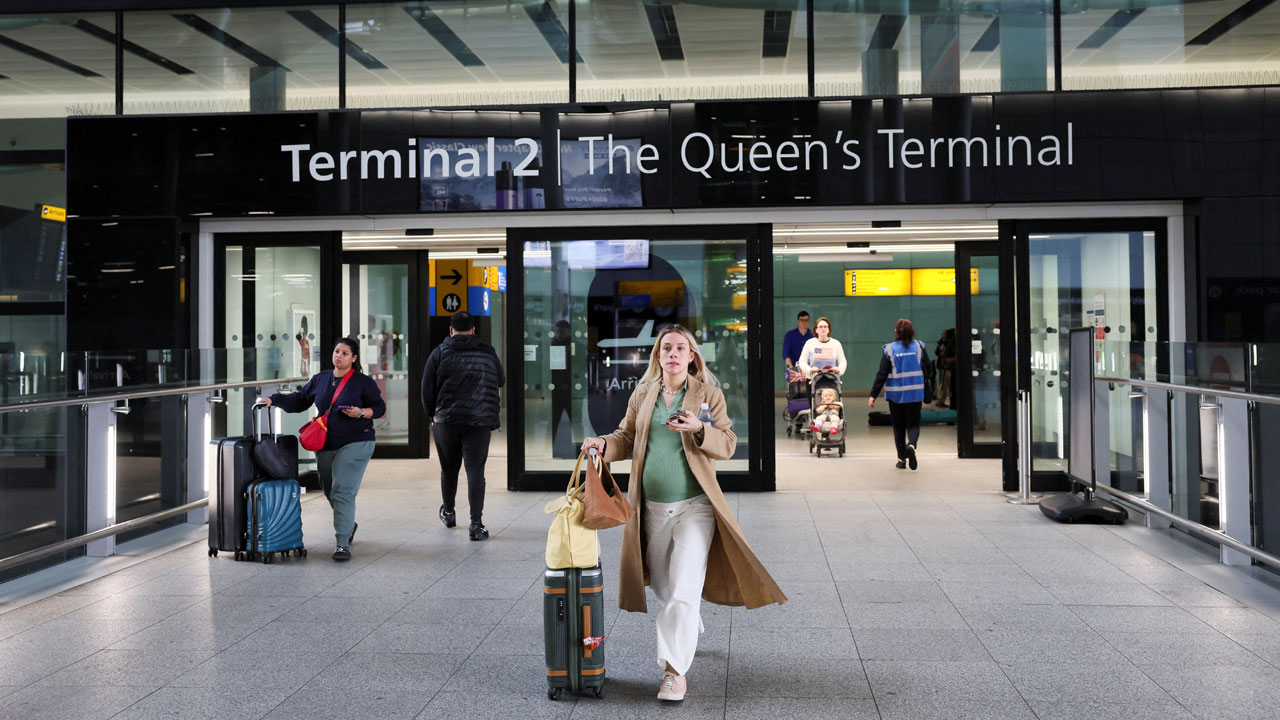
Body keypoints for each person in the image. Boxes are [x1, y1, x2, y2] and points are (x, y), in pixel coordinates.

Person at [581, 324, 787, 703]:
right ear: (658, 356)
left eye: (680, 348)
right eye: (666, 348)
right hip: (651, 507)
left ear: (692, 355)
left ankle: (674, 672)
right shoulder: (643, 393)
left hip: (696, 506)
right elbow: (626, 437)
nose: (673, 354)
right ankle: (688, 616)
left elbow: (727, 444)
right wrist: (602, 445)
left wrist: (699, 429)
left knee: (682, 590)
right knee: (664, 584)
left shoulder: (708, 394)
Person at [264, 338, 384, 561]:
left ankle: (342, 543)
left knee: (342, 492)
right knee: (329, 491)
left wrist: (360, 412)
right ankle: (348, 524)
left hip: (357, 441)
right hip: (325, 442)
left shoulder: (362, 382)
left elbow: (379, 408)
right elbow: (300, 401)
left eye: (345, 353)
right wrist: (274, 400)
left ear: (354, 358)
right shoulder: (321, 379)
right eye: (337, 351)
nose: (339, 356)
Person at [421, 311, 504, 541]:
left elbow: (426, 389)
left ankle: (449, 513)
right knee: (475, 471)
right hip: (479, 421)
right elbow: (501, 380)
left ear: (451, 330)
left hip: (446, 422)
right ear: (473, 330)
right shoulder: (487, 352)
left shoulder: (439, 353)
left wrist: (432, 415)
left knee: (449, 469)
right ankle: (476, 524)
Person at [868, 319, 933, 470]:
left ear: (896, 332)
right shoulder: (919, 346)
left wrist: (873, 395)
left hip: (895, 395)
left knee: (899, 427)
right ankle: (911, 446)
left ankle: (901, 460)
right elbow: (929, 369)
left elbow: (882, 374)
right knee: (913, 424)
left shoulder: (889, 349)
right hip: (915, 393)